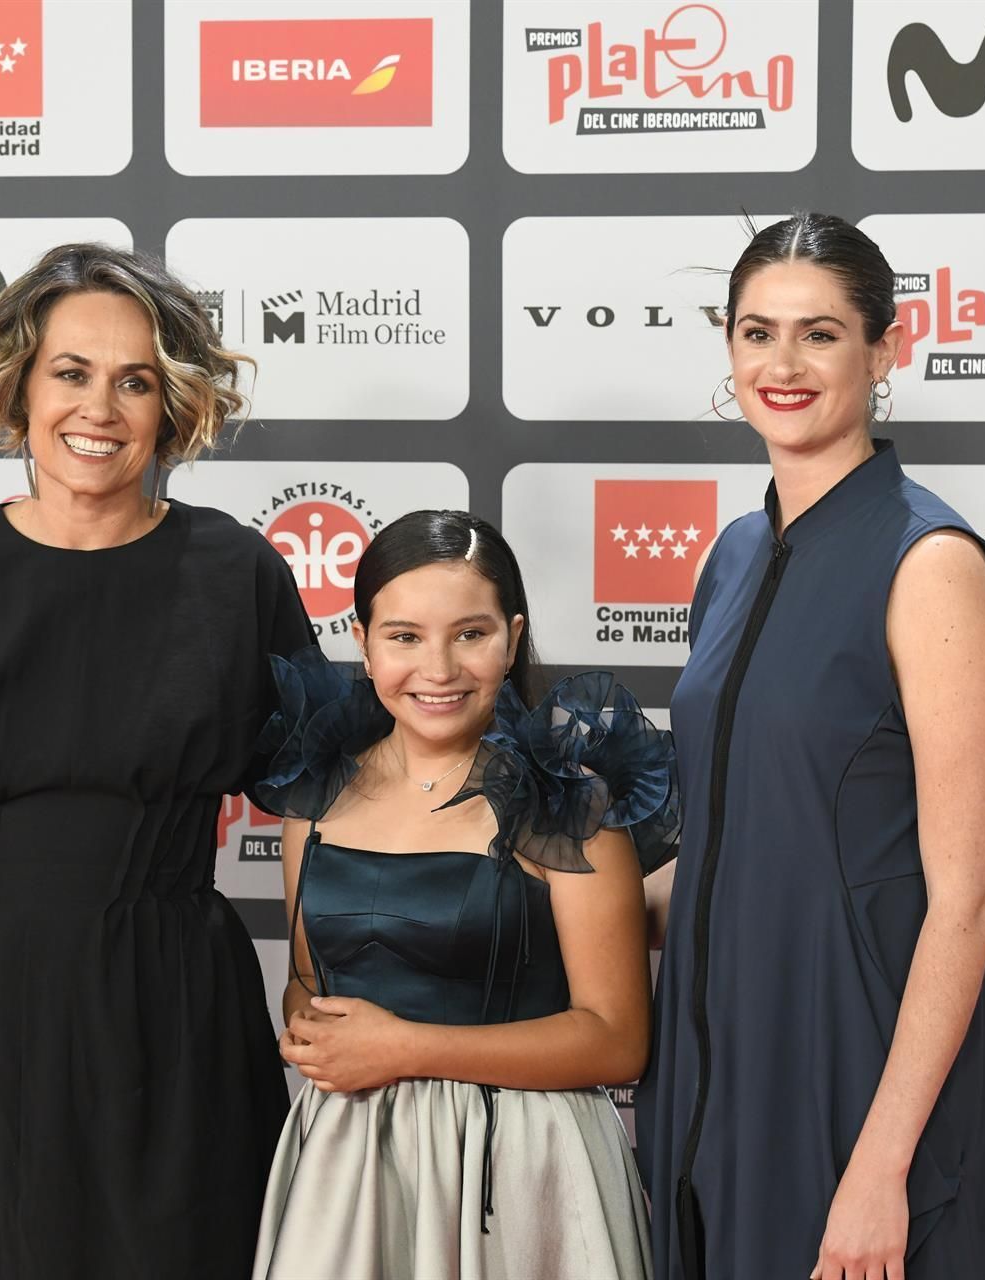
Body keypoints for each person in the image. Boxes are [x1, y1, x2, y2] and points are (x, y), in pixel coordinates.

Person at [0, 242, 315, 1278]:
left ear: (173, 402)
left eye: (135, 379)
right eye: (72, 372)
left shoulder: (236, 573)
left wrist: (310, 977)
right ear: (19, 385)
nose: (100, 407)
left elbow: (312, 799)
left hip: (175, 999)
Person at [637, 212, 985, 1280]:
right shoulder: (737, 552)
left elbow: (969, 894)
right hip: (716, 1070)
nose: (783, 364)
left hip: (858, 1074)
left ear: (884, 350)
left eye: (820, 333)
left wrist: (879, 1161)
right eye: (757, 332)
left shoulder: (929, 560)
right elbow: (742, 841)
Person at [249, 510, 675, 1280]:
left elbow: (616, 1039)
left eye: (470, 635)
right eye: (405, 636)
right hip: (349, 1162)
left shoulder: (567, 807)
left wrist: (402, 1049)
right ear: (363, 638)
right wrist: (312, 1031)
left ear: (512, 640)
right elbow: (307, 986)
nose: (438, 668)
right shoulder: (316, 797)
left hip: (524, 1169)